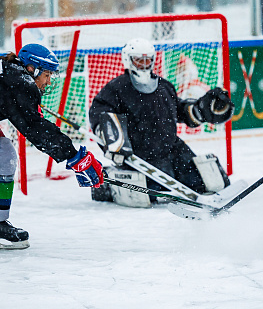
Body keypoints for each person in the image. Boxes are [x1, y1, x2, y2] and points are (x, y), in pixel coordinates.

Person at [89, 38, 235, 208]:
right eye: (139, 60)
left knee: (206, 182)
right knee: (152, 192)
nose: (144, 64)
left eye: (148, 60)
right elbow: (99, 113)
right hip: (140, 154)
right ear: (128, 60)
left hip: (172, 148)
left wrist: (201, 110)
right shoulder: (116, 88)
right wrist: (109, 135)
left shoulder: (164, 86)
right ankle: (107, 180)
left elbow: (179, 110)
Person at [0, 44, 105, 249]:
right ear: (31, 69)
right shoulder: (19, 82)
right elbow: (34, 128)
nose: (48, 81)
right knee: (5, 155)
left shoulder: (10, 72)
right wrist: (74, 156)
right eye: (46, 75)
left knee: (4, 154)